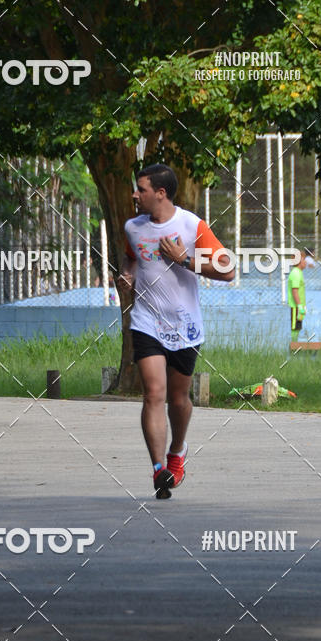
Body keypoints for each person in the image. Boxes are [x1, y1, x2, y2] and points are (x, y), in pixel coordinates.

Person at [119, 163, 234, 499]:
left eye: (141, 189)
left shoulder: (190, 225)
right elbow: (130, 259)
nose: (135, 195)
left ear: (160, 193)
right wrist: (127, 276)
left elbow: (228, 270)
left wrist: (185, 260)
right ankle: (159, 469)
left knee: (178, 399)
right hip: (146, 322)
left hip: (185, 326)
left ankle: (177, 450)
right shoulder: (133, 227)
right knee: (153, 394)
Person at [287, 248, 307, 341]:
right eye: (304, 259)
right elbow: (294, 291)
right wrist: (299, 306)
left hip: (299, 307)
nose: (305, 262)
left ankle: (295, 344)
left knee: (298, 328)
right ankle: (293, 346)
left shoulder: (299, 272)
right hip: (296, 307)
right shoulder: (295, 273)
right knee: (294, 328)